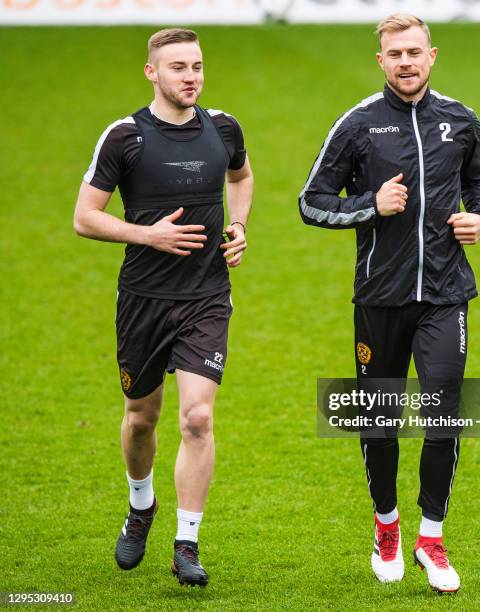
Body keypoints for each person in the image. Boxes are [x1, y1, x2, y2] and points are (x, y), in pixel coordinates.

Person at [299, 14, 480, 593]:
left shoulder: (461, 120)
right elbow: (311, 203)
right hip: (379, 300)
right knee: (379, 420)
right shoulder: (358, 125)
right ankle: (386, 525)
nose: (406, 62)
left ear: (432, 55)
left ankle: (430, 538)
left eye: (414, 51)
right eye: (395, 54)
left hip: (445, 295)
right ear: (380, 60)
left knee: (443, 416)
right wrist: (370, 204)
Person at [74, 28, 253, 587]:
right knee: (140, 418)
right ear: (152, 72)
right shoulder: (124, 137)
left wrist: (239, 225)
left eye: (197, 65)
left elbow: (241, 177)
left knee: (197, 418)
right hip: (144, 300)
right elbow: (85, 217)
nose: (191, 76)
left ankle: (187, 542)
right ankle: (140, 505)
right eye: (178, 67)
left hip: (206, 296)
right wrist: (146, 236)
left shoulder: (223, 127)